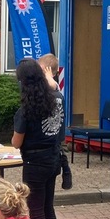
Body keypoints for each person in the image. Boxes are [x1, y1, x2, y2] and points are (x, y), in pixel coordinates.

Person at [11, 58, 62, 219]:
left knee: (36, 211)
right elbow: (56, 89)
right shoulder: (57, 99)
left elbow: (16, 143)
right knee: (48, 208)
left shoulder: (25, 110)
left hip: (34, 163)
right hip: (53, 158)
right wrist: (51, 79)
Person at [38, 53, 72, 191]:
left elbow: (52, 86)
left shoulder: (53, 85)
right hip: (55, 131)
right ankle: (64, 165)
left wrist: (47, 76)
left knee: (58, 149)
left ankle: (65, 166)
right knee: (58, 149)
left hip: (55, 130)